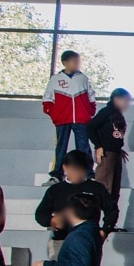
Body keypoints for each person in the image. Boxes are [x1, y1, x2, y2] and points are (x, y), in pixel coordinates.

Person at [42, 49, 97, 180]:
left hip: (81, 119)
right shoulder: (56, 79)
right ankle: (57, 174)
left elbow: (91, 95)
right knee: (61, 147)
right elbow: (47, 98)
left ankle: (88, 173)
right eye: (74, 62)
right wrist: (54, 114)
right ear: (65, 63)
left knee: (84, 146)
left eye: (78, 62)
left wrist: (90, 111)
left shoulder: (83, 78)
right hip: (62, 119)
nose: (77, 64)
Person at [86, 88, 130, 201]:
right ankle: (95, 215)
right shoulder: (106, 112)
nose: (127, 104)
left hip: (116, 154)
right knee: (104, 188)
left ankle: (111, 216)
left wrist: (118, 148)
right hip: (106, 153)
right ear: (116, 99)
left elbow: (115, 134)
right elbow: (91, 127)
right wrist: (98, 146)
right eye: (125, 100)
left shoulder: (118, 114)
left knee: (115, 189)